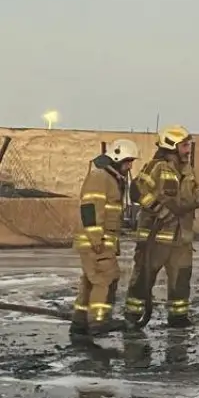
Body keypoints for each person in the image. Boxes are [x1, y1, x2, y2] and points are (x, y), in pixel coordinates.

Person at [123, 125, 199, 330]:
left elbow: (197, 194)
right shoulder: (156, 167)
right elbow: (137, 191)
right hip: (156, 236)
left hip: (181, 238)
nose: (188, 150)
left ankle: (178, 318)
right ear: (172, 146)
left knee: (181, 279)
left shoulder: (187, 170)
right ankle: (132, 316)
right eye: (185, 146)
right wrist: (159, 209)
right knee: (144, 277)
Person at [70, 139, 138, 338]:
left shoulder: (110, 178)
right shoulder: (100, 177)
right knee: (106, 278)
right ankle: (99, 320)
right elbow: (89, 207)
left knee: (91, 282)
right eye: (128, 161)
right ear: (117, 158)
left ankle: (80, 322)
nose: (130, 166)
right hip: (96, 241)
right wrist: (96, 238)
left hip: (99, 240)